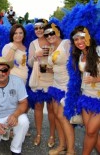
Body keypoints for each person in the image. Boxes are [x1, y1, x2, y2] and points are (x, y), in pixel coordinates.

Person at [69, 26, 100, 155]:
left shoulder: (98, 51)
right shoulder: (80, 55)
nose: (79, 41)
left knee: (92, 131)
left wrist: (96, 79)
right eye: (76, 39)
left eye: (82, 37)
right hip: (87, 96)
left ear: (88, 37)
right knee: (90, 132)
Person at [44, 23, 74, 155]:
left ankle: (71, 150)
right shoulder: (52, 47)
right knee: (56, 116)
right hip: (56, 85)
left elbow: (75, 59)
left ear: (58, 32)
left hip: (67, 86)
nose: (49, 36)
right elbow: (53, 68)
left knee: (62, 117)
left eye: (52, 33)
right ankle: (62, 145)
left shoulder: (66, 43)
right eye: (47, 34)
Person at [27, 19, 55, 147]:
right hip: (38, 78)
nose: (38, 30)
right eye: (36, 28)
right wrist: (36, 55)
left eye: (41, 27)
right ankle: (38, 134)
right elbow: (29, 63)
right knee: (38, 107)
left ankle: (52, 135)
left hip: (51, 79)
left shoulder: (52, 40)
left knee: (51, 109)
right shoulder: (33, 43)